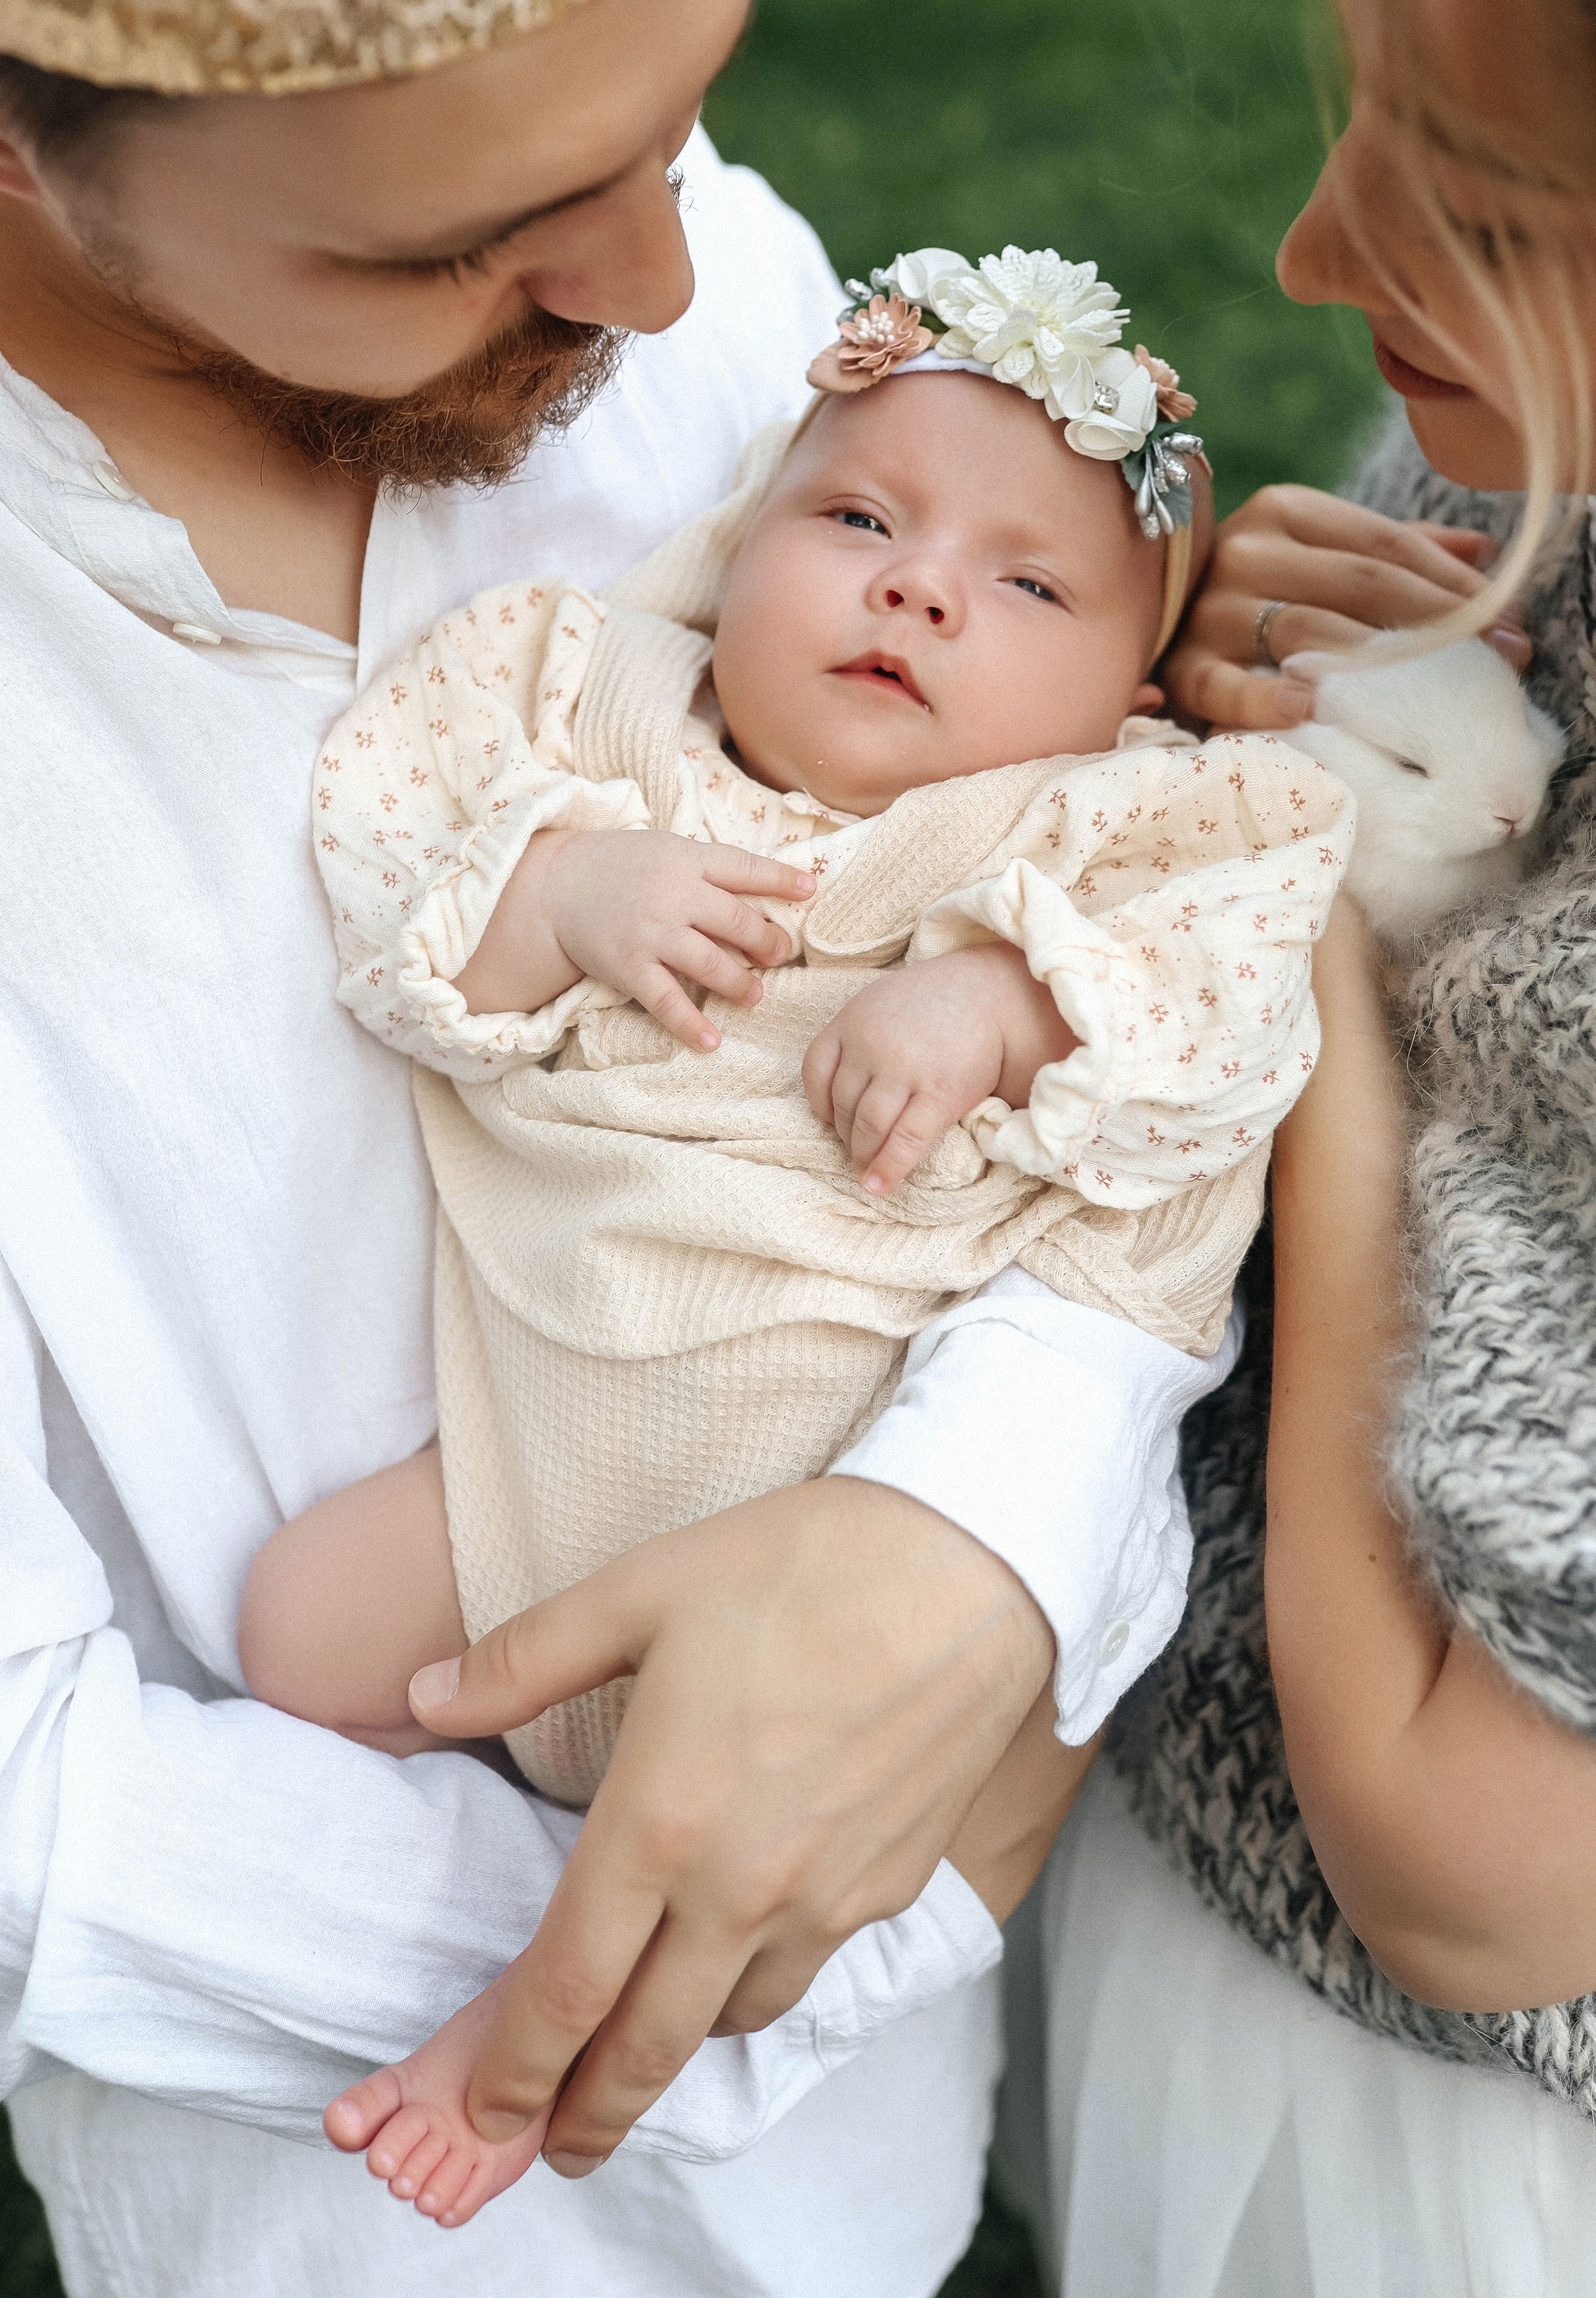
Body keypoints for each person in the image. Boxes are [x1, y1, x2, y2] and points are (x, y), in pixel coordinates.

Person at [0, 0, 1238, 2294]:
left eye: (680, 119)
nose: (672, 289)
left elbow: (1086, 971)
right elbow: (44, 1813)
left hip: (883, 2157)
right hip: (355, 2207)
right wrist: (889, 1880)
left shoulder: (716, 325)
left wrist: (985, 1539)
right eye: (462, 235)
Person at [233, 262, 1350, 2229]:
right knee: (297, 1632)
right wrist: (569, 891)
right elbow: (402, 863)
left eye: (1029, 584)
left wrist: (1006, 1000)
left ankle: (529, 2030)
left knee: (852, 1859)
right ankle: (476, 1946)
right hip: (538, 1471)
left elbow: (1225, 1012)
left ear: (1133, 699)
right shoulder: (599, 708)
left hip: (847, 1479)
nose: (920, 591)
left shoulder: (1096, 831)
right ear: (738, 536)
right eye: (857, 518)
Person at [1006, 0, 1596, 2289]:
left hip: (1491, 2158)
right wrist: (1235, 697)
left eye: (1480, 203)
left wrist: (1315, 1026)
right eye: (1371, 96)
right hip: (1181, 1849)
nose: (1314, 250)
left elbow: (1468, 1875)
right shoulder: (1594, 460)